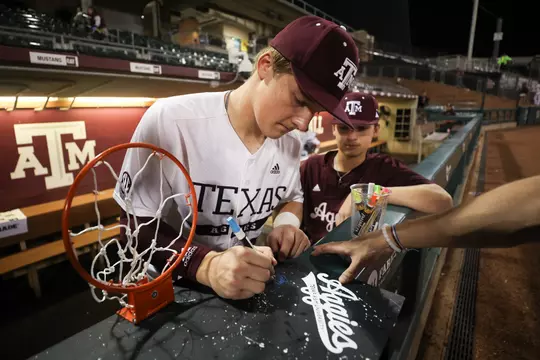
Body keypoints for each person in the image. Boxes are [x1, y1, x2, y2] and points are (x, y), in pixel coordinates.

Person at [114, 16, 360, 300]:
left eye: (315, 111)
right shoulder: (171, 120)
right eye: (300, 100)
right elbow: (133, 227)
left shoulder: (291, 141)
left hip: (246, 289)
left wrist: (286, 226)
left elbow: (292, 197)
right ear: (265, 66)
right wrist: (207, 265)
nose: (303, 123)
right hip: (170, 293)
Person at [312, 175, 540, 284]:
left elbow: (518, 212)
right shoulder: (314, 167)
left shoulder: (384, 165)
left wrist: (388, 235)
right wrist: (389, 238)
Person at [300, 92, 453, 242]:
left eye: (361, 128)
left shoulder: (384, 167)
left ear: (376, 130)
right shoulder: (311, 167)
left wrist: (371, 193)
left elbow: (443, 201)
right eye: (344, 128)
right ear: (334, 129)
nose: (352, 137)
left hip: (355, 260)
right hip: (310, 259)